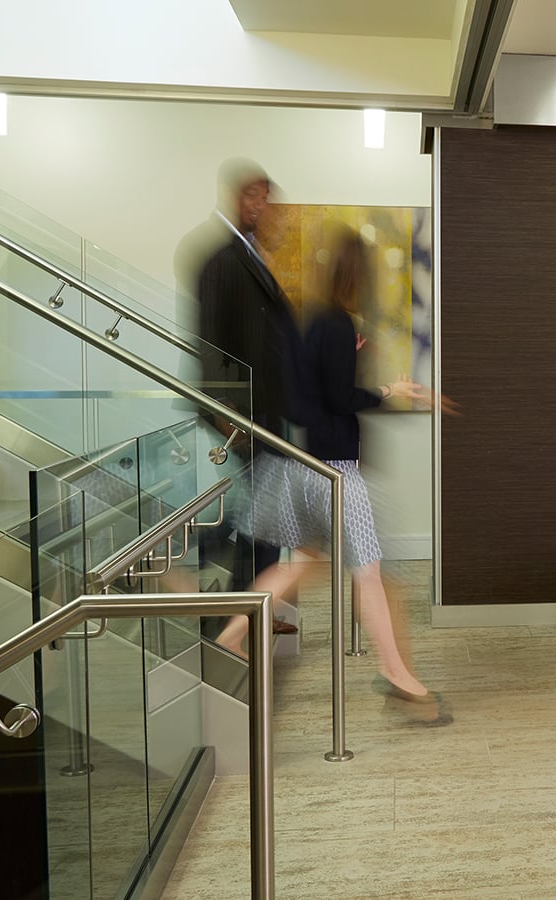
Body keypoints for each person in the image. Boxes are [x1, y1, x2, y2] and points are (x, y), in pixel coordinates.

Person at [217, 225, 452, 725]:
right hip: (336, 470)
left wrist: (362, 362)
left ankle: (233, 633)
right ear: (358, 275)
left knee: (299, 563)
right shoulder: (340, 325)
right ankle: (397, 672)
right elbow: (341, 398)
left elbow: (309, 393)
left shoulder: (310, 323)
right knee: (367, 571)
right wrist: (389, 390)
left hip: (299, 463)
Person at [174, 158, 305, 634]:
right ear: (235, 196)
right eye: (254, 194)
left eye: (268, 195)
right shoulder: (218, 258)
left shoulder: (251, 255)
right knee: (237, 519)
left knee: (266, 515)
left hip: (267, 413)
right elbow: (209, 341)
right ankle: (216, 609)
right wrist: (226, 413)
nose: (262, 204)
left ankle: (258, 612)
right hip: (240, 417)